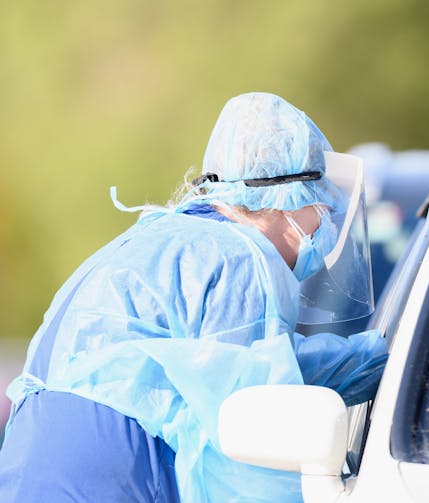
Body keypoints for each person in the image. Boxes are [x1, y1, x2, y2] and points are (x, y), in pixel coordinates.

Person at [0, 92, 388, 502]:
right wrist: (384, 359)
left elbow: (237, 367)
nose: (327, 217)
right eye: (323, 204)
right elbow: (256, 412)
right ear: (286, 196)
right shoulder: (242, 258)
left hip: (27, 471)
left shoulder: (164, 239)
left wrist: (371, 360)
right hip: (106, 478)